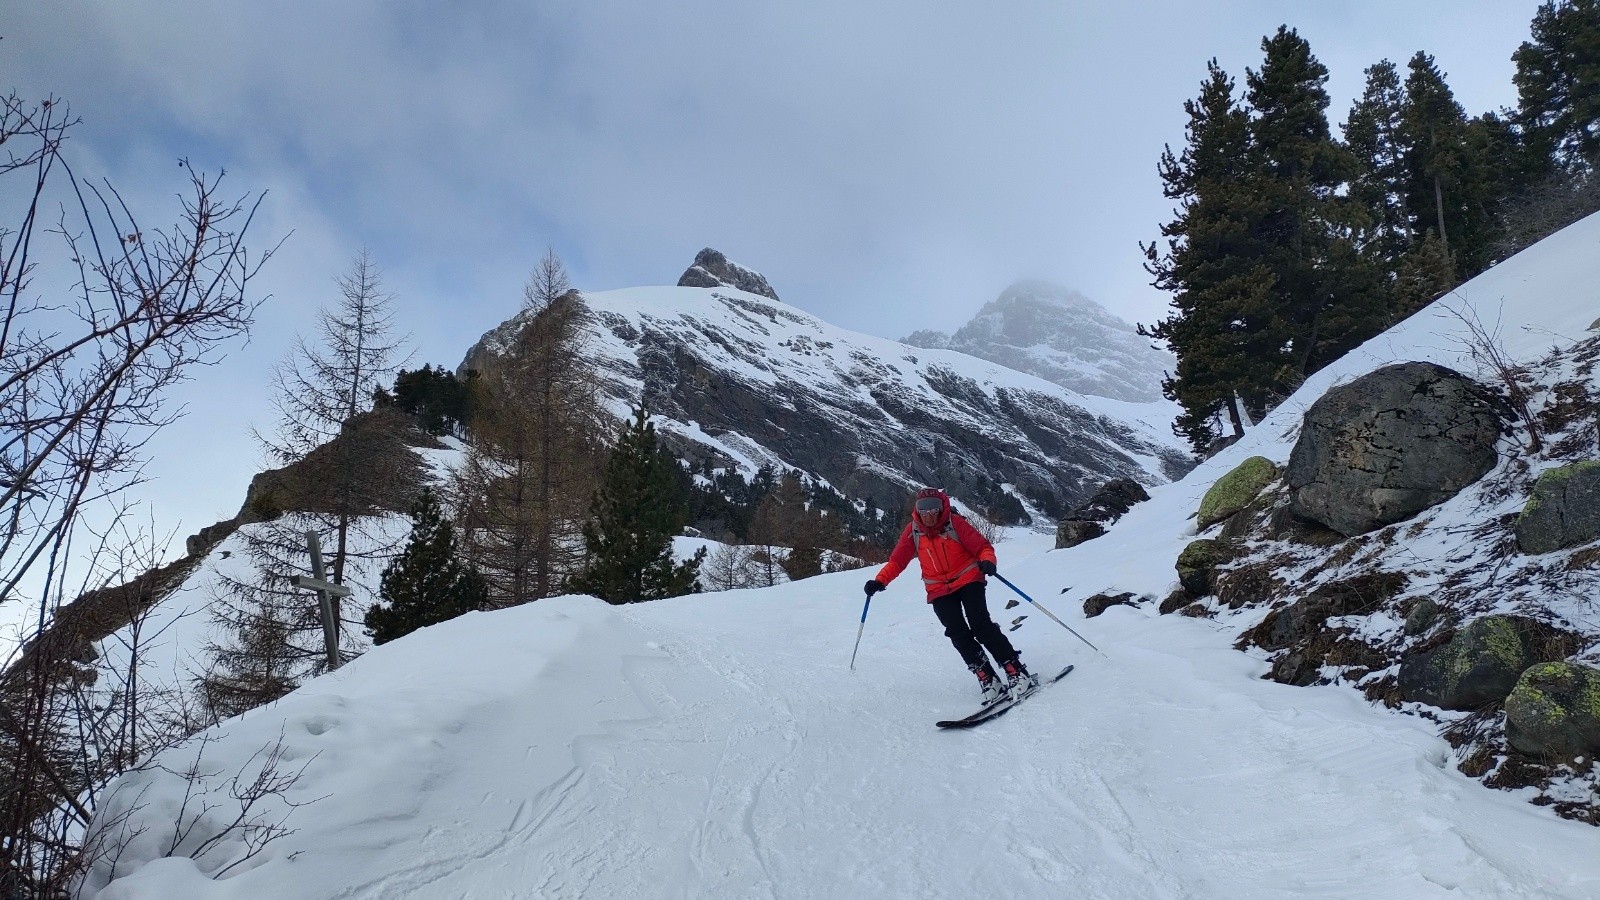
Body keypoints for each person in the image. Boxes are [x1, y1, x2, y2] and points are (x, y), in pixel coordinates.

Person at [864, 487, 1033, 705]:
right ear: (917, 510)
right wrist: (879, 581)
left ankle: (1016, 671)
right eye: (923, 508)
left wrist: (988, 560)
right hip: (938, 589)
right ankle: (988, 679)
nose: (928, 513)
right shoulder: (913, 531)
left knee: (980, 625)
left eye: (933, 507)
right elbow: (898, 561)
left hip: (969, 578)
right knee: (957, 632)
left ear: (942, 506)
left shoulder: (955, 523)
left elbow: (982, 547)